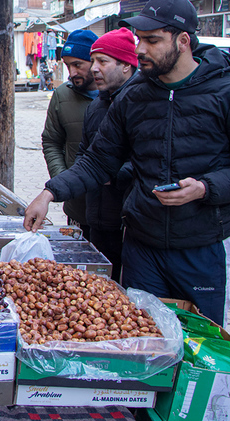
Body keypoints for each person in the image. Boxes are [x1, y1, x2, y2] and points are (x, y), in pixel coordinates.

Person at [24, 0, 230, 325]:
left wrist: (204, 187)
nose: (140, 48)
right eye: (139, 39)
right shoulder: (134, 97)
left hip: (201, 246)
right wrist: (50, 193)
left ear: (183, 41)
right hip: (142, 246)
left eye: (152, 40)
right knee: (144, 340)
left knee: (201, 342)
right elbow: (98, 159)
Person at [76, 28, 139, 283]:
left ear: (126, 65)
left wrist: (110, 176)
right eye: (93, 61)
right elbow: (84, 152)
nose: (94, 69)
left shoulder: (142, 104)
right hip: (96, 217)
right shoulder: (96, 107)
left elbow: (148, 159)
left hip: (130, 221)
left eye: (102, 61)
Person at [41, 29, 99, 236]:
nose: (72, 72)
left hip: (114, 205)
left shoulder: (118, 94)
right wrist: (63, 180)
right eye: (67, 65)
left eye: (78, 65)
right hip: (77, 204)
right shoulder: (61, 95)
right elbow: (51, 141)